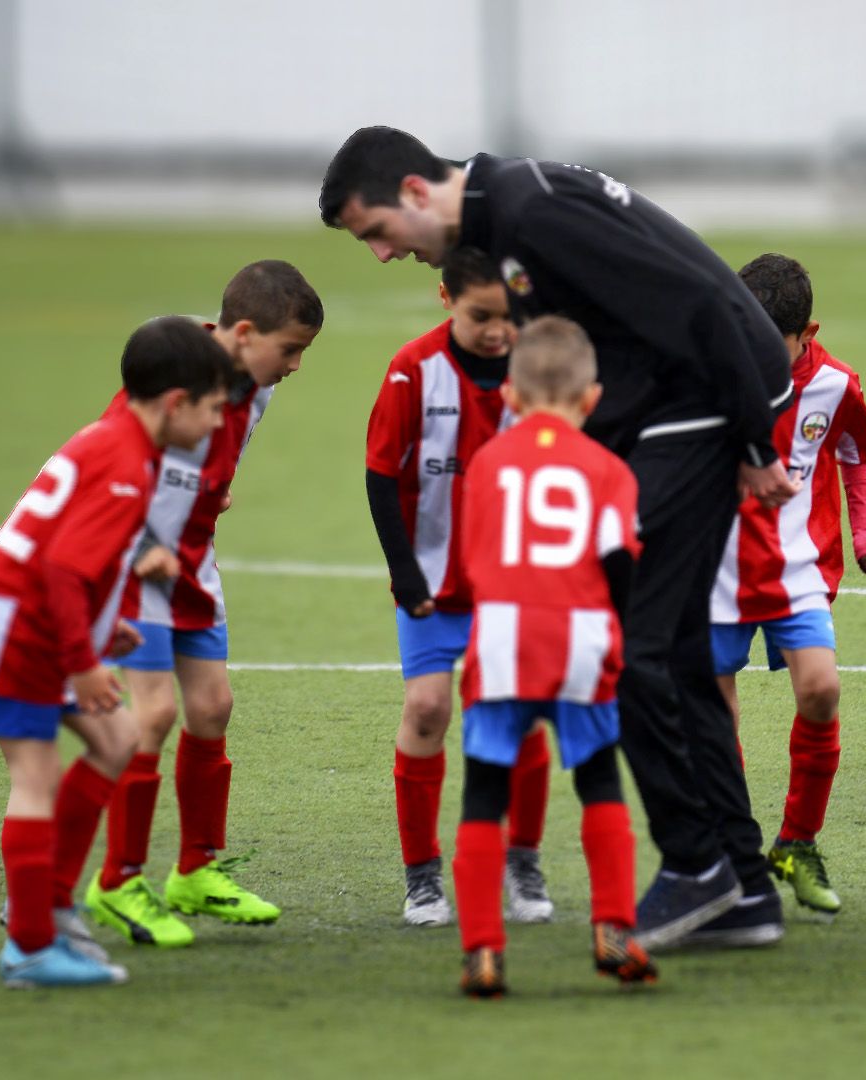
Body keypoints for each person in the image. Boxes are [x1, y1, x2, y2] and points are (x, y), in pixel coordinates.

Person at [319, 126, 798, 950]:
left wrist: (755, 443)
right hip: (685, 406)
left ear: (412, 192)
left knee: (626, 643)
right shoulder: (505, 216)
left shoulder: (529, 211)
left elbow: (705, 300)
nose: (382, 255)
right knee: (678, 651)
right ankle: (743, 887)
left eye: (376, 233)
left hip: (712, 401)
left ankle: (695, 866)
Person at [0, 316, 235, 987]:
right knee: (35, 778)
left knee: (118, 738)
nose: (220, 426)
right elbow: (62, 572)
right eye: (216, 409)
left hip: (34, 622)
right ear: (176, 403)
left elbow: (73, 559)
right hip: (18, 630)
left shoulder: (121, 444)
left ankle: (53, 906)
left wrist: (104, 634)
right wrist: (84, 661)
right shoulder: (128, 465)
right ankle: (31, 946)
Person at [84, 262, 322, 949]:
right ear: (243, 335)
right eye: (290, 351)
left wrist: (210, 496)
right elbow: (112, 457)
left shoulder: (256, 383)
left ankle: (195, 871)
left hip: (192, 559)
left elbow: (212, 453)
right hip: (138, 558)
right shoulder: (171, 372)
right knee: (152, 713)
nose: (297, 366)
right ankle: (119, 880)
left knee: (212, 708)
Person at [449, 316, 655, 997]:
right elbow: (618, 559)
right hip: (580, 638)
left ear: (509, 397)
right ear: (591, 400)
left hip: (504, 636)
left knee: (485, 793)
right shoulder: (607, 468)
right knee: (598, 781)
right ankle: (613, 929)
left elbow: (476, 562)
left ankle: (482, 949)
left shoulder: (487, 463)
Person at [364, 245, 556, 928]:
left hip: (514, 583)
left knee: (520, 713)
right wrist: (405, 571)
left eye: (507, 316)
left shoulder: (535, 372)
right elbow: (382, 475)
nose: (498, 330)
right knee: (426, 710)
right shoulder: (412, 371)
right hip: (431, 583)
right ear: (446, 301)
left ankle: (523, 862)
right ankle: (422, 878)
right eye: (481, 316)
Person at [710, 254, 866, 923]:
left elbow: (855, 458)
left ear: (807, 332)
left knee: (821, 689)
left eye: (771, 344)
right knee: (714, 721)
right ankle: (735, 851)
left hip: (795, 569)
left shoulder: (836, 385)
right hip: (715, 569)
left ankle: (798, 843)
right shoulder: (709, 374)